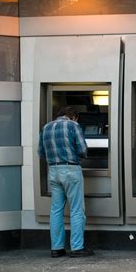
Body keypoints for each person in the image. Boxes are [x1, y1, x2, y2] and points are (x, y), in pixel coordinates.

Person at [38, 107, 94, 258]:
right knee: (76, 209)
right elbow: (83, 149)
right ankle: (77, 248)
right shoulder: (73, 126)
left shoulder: (46, 127)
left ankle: (57, 248)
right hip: (70, 169)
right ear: (74, 117)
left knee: (56, 210)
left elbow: (41, 152)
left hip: (53, 171)